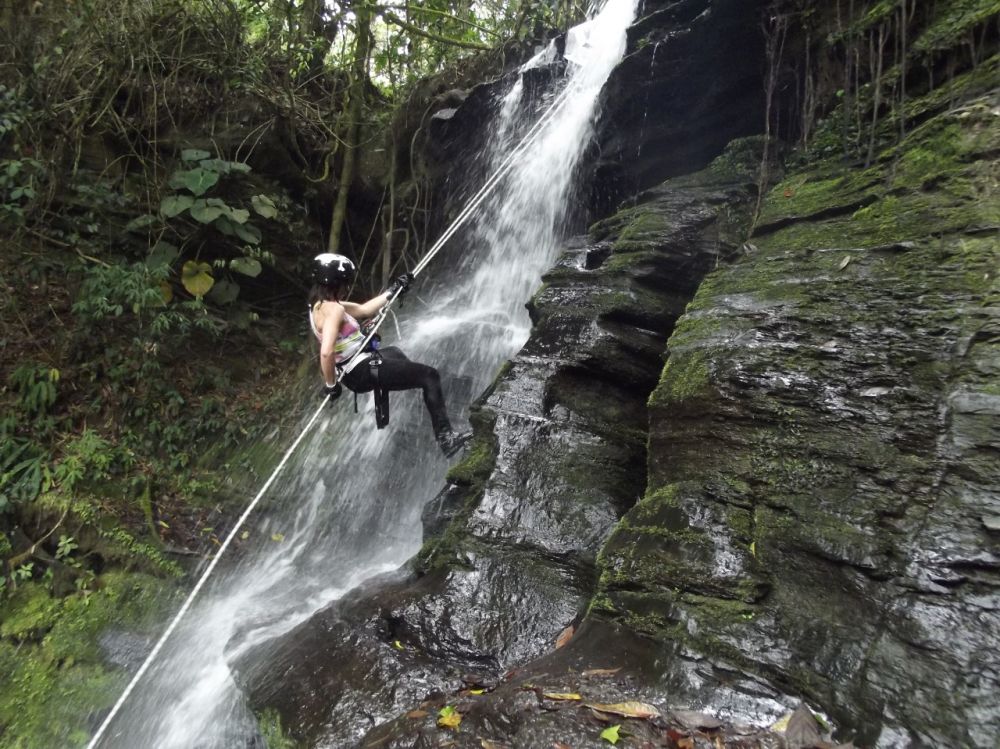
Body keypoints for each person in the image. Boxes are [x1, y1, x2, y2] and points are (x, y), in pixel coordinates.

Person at [308, 252, 471, 457]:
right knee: (430, 375)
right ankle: (446, 438)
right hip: (359, 371)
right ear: (336, 283)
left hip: (359, 366)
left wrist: (394, 290)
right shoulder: (334, 311)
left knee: (395, 353)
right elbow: (326, 352)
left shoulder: (319, 306)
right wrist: (331, 385)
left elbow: (364, 310)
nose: (347, 288)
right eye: (345, 283)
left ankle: (421, 390)